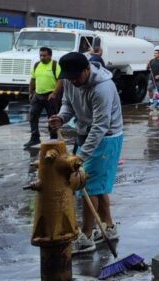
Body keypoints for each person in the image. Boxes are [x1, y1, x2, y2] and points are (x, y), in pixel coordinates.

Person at [49, 52, 123, 255]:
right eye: (69, 77)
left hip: (106, 138)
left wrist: (81, 156)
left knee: (86, 186)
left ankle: (86, 236)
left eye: (76, 76)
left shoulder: (103, 88)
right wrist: (62, 119)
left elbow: (101, 125)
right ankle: (109, 227)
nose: (73, 81)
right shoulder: (71, 81)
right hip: (85, 134)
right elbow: (68, 105)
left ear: (87, 69)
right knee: (98, 188)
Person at [24, 47, 63, 148]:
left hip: (50, 95)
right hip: (38, 95)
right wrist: (30, 92)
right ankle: (35, 137)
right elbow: (33, 79)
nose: (42, 57)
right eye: (41, 55)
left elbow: (60, 80)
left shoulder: (55, 65)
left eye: (44, 55)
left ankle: (53, 139)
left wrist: (54, 93)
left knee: (52, 118)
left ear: (50, 55)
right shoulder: (37, 65)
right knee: (33, 116)